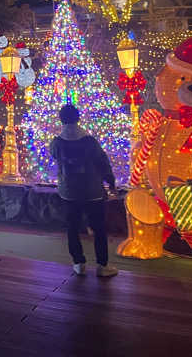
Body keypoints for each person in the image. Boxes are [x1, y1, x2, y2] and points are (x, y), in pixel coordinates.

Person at [50, 103, 118, 277]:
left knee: (72, 227)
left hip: (69, 192)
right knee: (99, 228)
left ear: (61, 119)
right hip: (92, 191)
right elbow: (103, 163)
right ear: (78, 118)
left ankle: (78, 263)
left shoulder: (56, 143)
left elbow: (54, 156)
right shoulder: (89, 141)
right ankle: (103, 266)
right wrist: (110, 182)